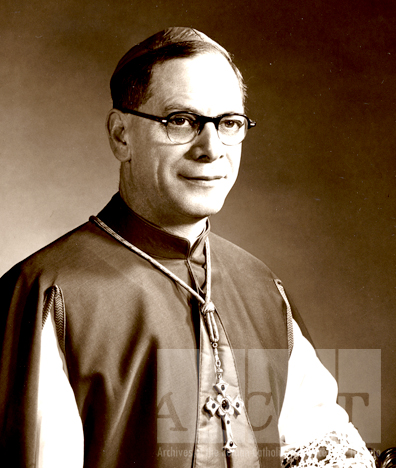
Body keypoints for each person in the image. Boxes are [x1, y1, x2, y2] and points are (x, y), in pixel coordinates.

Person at [0, 27, 375, 468]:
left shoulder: (261, 287)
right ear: (121, 135)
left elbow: (317, 445)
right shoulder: (48, 292)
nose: (211, 148)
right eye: (181, 120)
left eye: (230, 123)